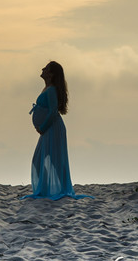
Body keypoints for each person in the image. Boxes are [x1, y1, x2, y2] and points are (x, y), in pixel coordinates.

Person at [23, 60, 92, 200]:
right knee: (38, 160)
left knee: (55, 162)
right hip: (48, 129)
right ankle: (45, 190)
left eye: (46, 68)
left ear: (51, 74)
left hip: (52, 128)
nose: (42, 69)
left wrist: (43, 127)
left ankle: (58, 189)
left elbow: (53, 111)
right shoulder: (47, 88)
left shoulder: (52, 90)